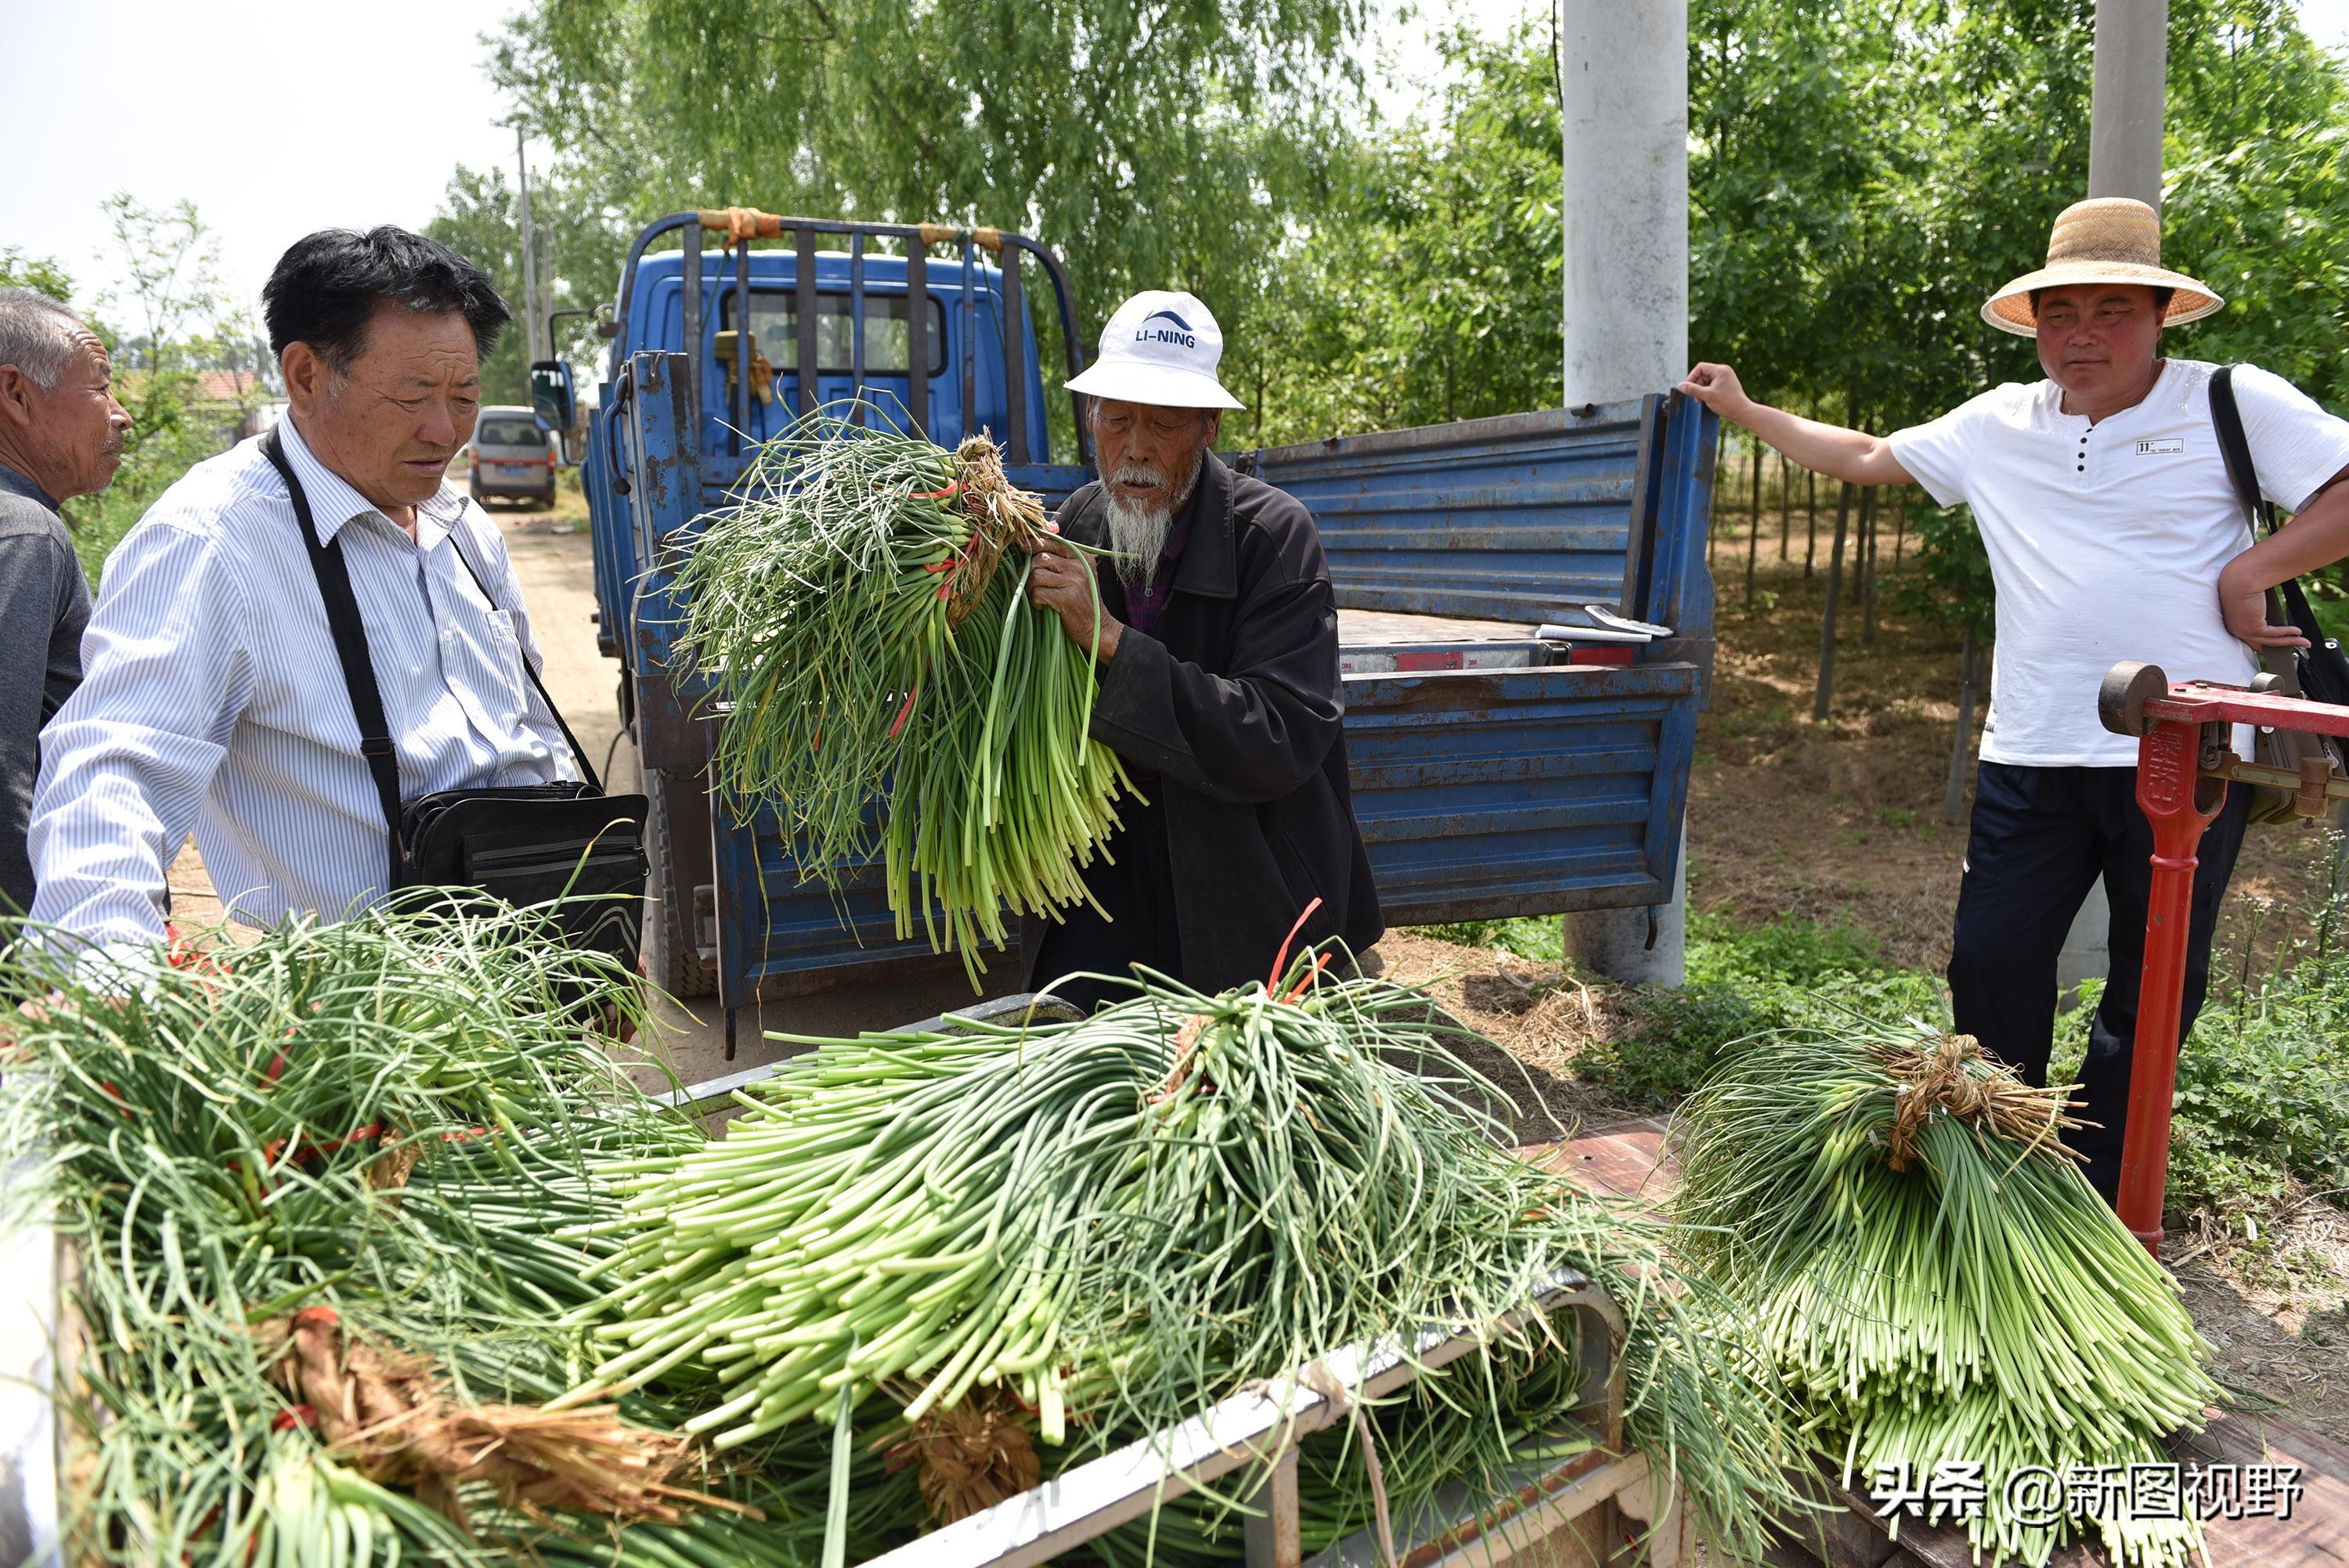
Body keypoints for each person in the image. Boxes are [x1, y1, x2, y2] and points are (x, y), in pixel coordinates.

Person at [1677, 196, 2349, 1200]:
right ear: (2033, 324)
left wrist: (2250, 573)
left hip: (2187, 751)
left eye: (2112, 308)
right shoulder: (1998, 423)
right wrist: (1745, 411)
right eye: (2059, 312)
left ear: (2161, 314)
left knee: (2156, 982)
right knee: (1991, 961)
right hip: (2032, 745)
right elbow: (1867, 457)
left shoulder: (2229, 400)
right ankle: (1997, 1164)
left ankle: (2104, 1186)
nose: (2082, 334)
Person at [28, 228, 578, 963]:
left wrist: (592, 909)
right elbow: (112, 772)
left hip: (541, 977)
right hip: (365, 1025)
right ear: (307, 376)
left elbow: (532, 727)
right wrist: (104, 982)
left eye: (464, 395)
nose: (445, 430)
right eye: (413, 394)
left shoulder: (464, 526)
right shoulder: (213, 540)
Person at [1019, 290, 1382, 1008]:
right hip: (1114, 899)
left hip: (1253, 904)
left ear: (1210, 425)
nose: (1136, 448)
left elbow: (1278, 732)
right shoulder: (1079, 521)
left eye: (1163, 423)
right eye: (1117, 419)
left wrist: (1113, 640)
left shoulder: (1274, 538)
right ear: (1091, 419)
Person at [0, 290, 127, 918]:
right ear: (16, 395)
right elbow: (5, 774)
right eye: (100, 388)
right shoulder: (25, 532)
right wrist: (38, 974)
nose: (122, 415)